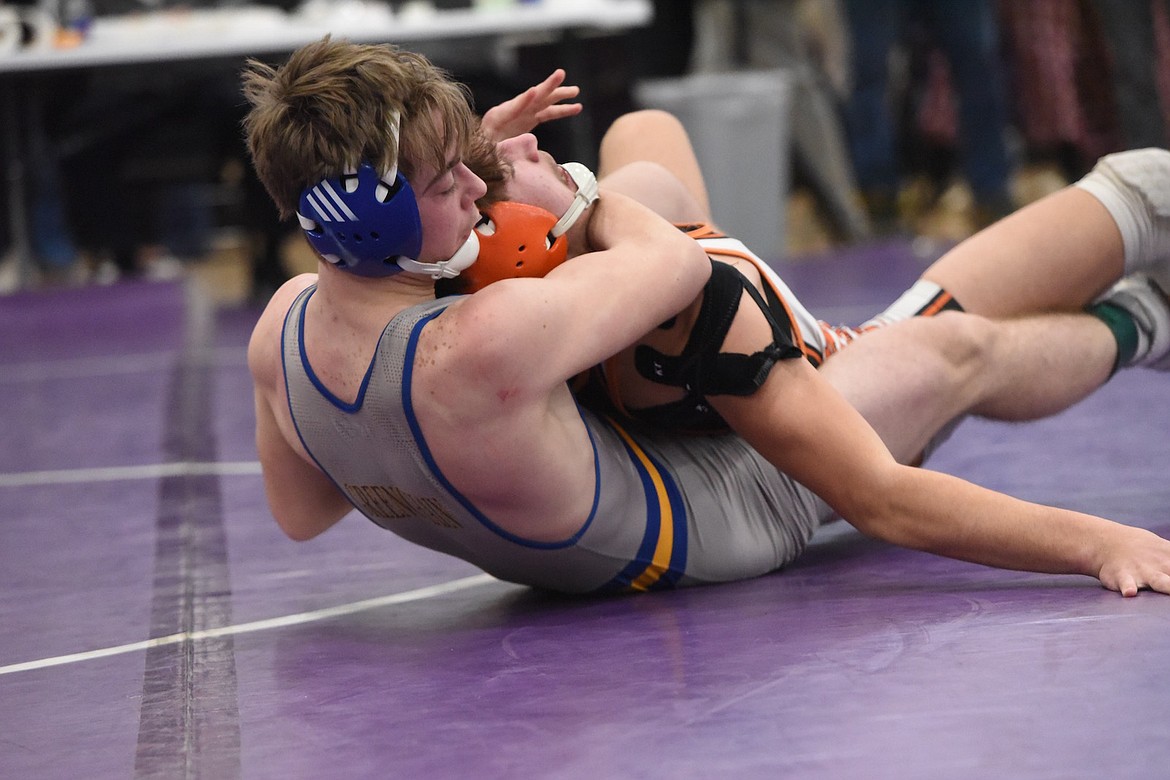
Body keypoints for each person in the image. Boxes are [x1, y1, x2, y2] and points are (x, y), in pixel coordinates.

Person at [243, 38, 1170, 598]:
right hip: (720, 504)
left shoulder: (281, 334)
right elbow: (676, 267)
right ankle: (1149, 309)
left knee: (646, 153)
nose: (481, 199)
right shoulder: (489, 339)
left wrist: (462, 155)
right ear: (382, 223)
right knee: (938, 350)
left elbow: (306, 510)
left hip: (615, 459)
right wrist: (1101, 542)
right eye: (456, 189)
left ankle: (1139, 218)